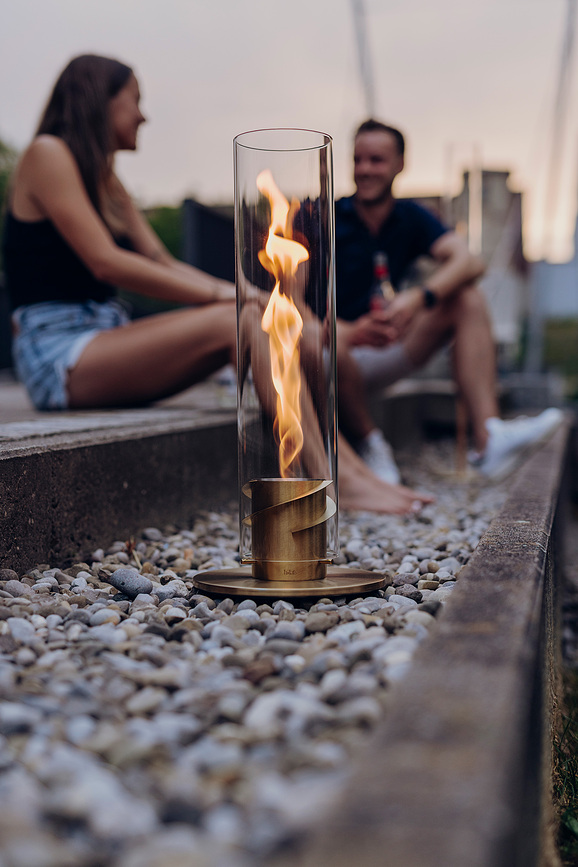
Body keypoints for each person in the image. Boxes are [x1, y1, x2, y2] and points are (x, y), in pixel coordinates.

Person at [1, 56, 431, 514]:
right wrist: (234, 296)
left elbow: (160, 261)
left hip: (103, 338)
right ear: (100, 102)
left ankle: (354, 474)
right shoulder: (47, 153)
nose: (143, 115)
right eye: (135, 101)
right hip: (57, 356)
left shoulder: (107, 180)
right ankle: (339, 478)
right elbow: (108, 264)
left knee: (261, 318)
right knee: (243, 319)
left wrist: (248, 294)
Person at [335, 118, 563, 482]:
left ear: (399, 165)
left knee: (467, 299)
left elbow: (469, 262)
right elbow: (288, 305)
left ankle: (490, 438)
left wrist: (418, 299)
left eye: (376, 160)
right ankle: (371, 445)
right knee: (320, 344)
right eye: (358, 159)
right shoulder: (324, 216)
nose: (364, 169)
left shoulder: (409, 216)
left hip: (380, 350)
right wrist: (346, 331)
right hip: (329, 353)